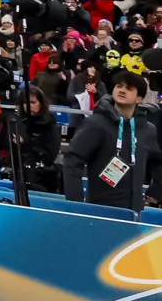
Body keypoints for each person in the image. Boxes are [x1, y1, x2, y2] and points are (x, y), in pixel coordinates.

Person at [63, 70, 162, 213]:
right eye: (119, 86)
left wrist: (157, 190)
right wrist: (76, 203)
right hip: (99, 212)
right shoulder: (96, 123)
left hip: (134, 212)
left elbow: (158, 160)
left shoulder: (147, 130)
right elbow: (72, 159)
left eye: (129, 88)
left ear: (139, 99)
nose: (122, 90)